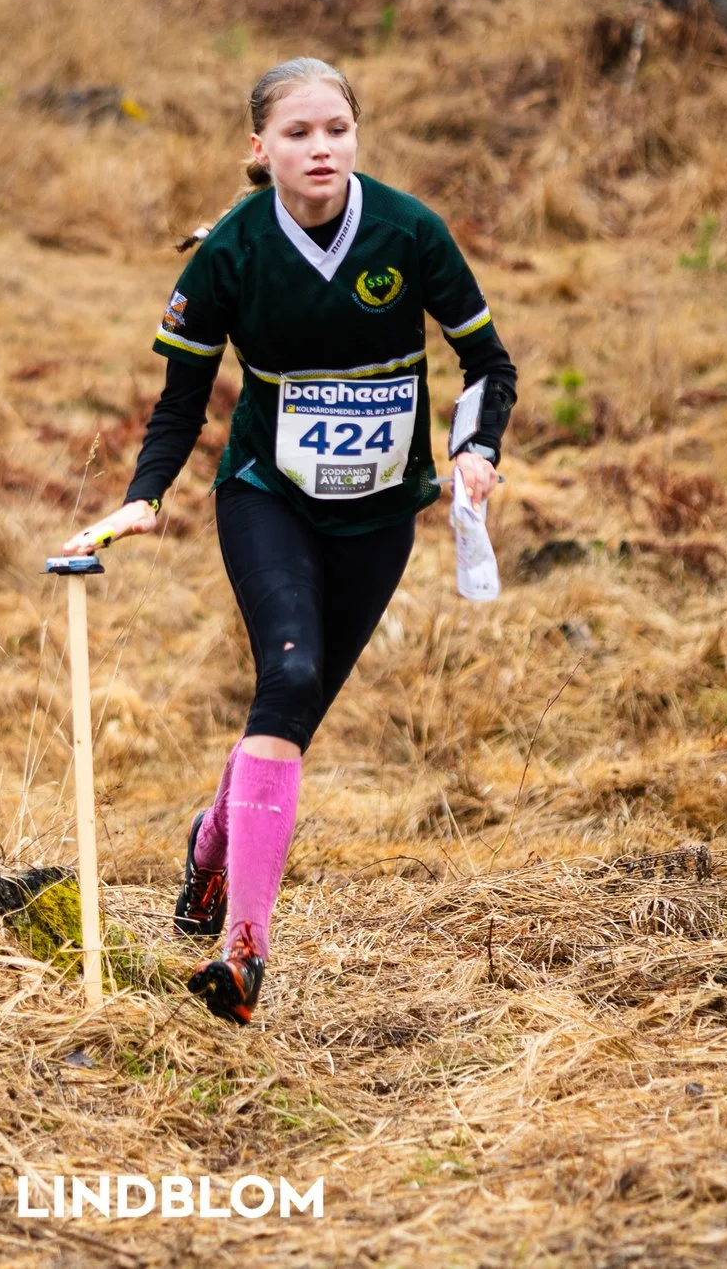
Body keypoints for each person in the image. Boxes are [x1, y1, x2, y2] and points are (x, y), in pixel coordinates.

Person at [60, 57, 517, 1024]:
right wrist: (145, 496)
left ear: (357, 136)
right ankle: (245, 953)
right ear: (259, 149)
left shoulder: (409, 230)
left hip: (382, 510)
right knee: (291, 674)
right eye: (300, 133)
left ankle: (208, 846)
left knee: (294, 713)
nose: (322, 148)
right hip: (266, 494)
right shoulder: (230, 250)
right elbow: (182, 399)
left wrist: (475, 448)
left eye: (338, 130)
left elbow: (487, 362)